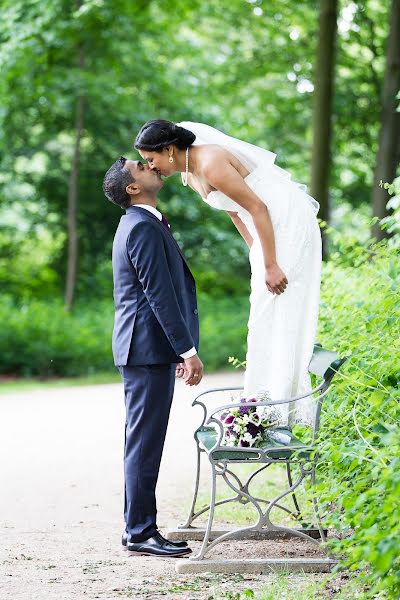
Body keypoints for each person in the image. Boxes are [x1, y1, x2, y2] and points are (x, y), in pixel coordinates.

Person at [134, 120, 322, 425]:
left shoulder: (210, 162)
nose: (150, 166)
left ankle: (285, 409)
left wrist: (271, 264)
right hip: (264, 229)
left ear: (169, 150)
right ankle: (262, 407)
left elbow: (258, 208)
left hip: (284, 220)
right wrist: (256, 253)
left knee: (279, 304)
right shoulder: (190, 175)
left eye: (151, 159)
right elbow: (235, 211)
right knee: (262, 312)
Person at [102, 156, 203, 557]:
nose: (151, 166)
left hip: (145, 347)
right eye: (141, 167)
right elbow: (158, 296)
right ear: (132, 187)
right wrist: (187, 350)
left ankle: (137, 528)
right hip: (145, 347)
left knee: (142, 441)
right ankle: (141, 531)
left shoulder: (145, 222)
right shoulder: (141, 226)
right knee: (144, 443)